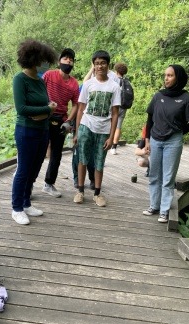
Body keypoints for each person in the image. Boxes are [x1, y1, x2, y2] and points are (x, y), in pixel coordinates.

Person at [143, 64, 189, 222]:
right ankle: (154, 206)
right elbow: (149, 119)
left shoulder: (186, 98)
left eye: (170, 75)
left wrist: (179, 131)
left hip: (173, 141)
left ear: (178, 78)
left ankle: (164, 210)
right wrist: (147, 140)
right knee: (154, 174)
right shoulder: (158, 96)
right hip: (155, 139)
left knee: (168, 177)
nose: (166, 78)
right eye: (165, 75)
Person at [11, 39, 58, 225]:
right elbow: (21, 109)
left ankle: (26, 202)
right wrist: (48, 110)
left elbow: (44, 104)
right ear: (33, 59)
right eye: (43, 60)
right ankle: (16, 208)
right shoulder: (19, 79)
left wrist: (48, 108)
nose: (45, 64)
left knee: (35, 169)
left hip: (42, 130)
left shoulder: (40, 81)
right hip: (26, 131)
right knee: (23, 170)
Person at [73, 50, 121, 207]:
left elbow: (115, 113)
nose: (100, 66)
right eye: (97, 63)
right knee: (82, 159)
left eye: (103, 63)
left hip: (104, 129)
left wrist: (111, 137)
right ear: (93, 66)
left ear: (108, 65)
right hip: (86, 125)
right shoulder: (88, 84)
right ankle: (80, 191)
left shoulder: (114, 87)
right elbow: (80, 108)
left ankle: (97, 193)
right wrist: (77, 131)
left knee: (99, 161)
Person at [41, 48, 80, 198]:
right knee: (38, 152)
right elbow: (40, 91)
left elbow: (76, 104)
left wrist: (69, 121)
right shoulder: (49, 75)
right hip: (45, 117)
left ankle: (49, 184)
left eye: (71, 60)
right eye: (65, 58)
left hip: (61, 121)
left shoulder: (74, 84)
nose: (68, 61)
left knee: (56, 155)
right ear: (59, 62)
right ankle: (28, 184)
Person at [110, 62, 129, 155]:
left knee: (110, 125)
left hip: (114, 106)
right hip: (123, 106)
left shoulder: (113, 79)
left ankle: (107, 143)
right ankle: (114, 148)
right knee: (118, 127)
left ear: (116, 70)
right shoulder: (126, 81)